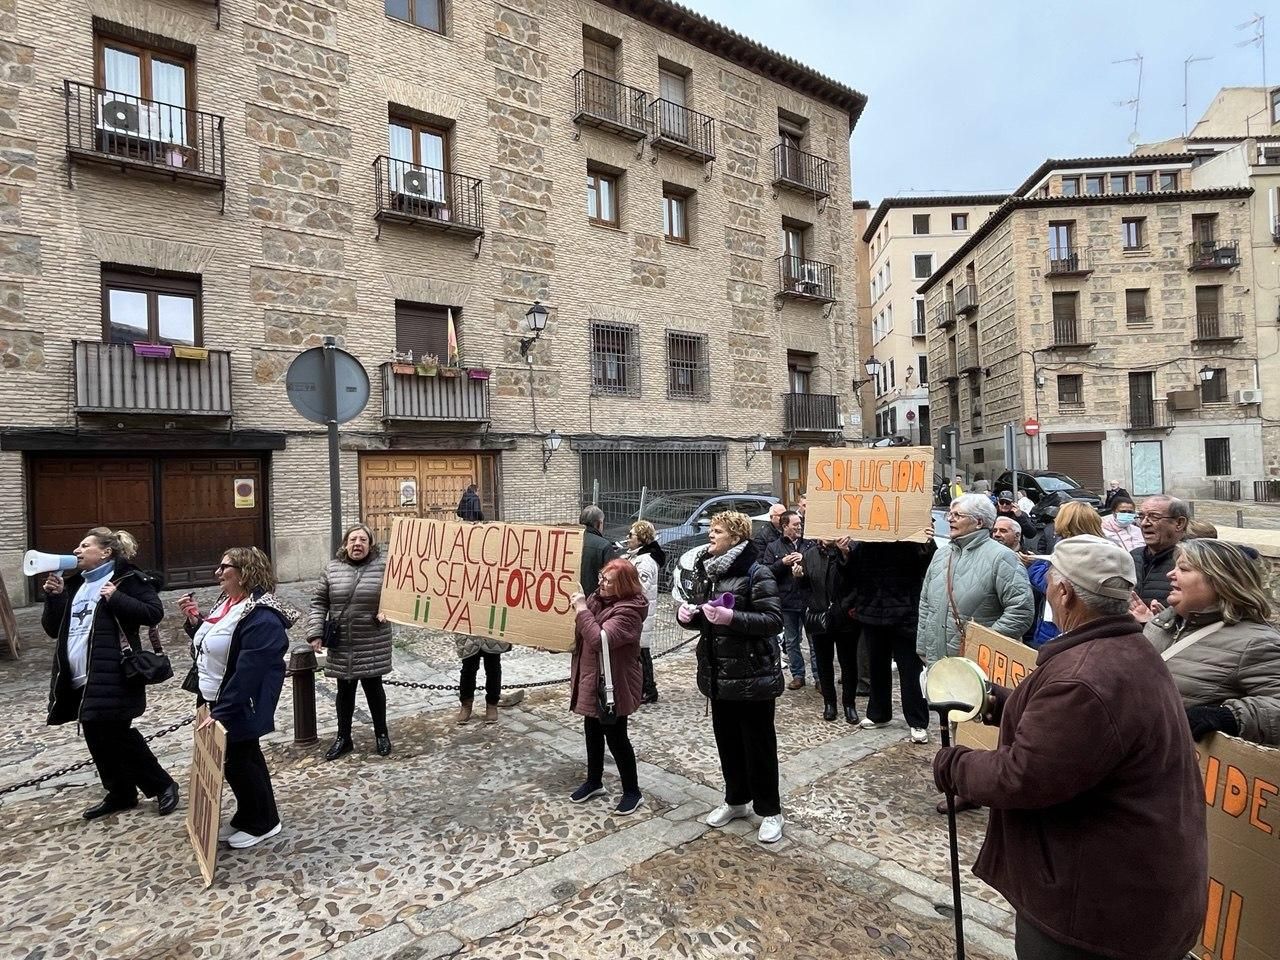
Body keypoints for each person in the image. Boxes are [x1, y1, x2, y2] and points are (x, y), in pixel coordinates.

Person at [933, 535, 1207, 960]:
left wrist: (954, 765)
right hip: (1128, 888)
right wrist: (999, 703)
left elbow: (1023, 777)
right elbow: (1081, 738)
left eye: (1049, 583)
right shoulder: (1126, 645)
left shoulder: (1084, 675)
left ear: (1064, 592)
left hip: (1096, 907)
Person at [43, 527, 178, 821]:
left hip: (113, 672)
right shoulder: (77, 584)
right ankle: (120, 793)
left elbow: (152, 612)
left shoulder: (127, 579)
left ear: (105, 552)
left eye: (84, 545)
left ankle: (162, 784)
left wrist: (116, 597)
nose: (77, 550)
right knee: (96, 735)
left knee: (117, 734)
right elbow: (55, 630)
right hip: (80, 676)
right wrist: (55, 598)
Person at [678, 510, 785, 843]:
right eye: (711, 529)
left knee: (759, 745)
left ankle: (771, 811)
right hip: (719, 673)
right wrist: (690, 617)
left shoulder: (757, 572)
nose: (711, 534)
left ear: (736, 537)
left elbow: (772, 620)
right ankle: (736, 800)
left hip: (753, 674)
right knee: (728, 742)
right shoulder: (709, 571)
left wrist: (732, 617)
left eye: (718, 530)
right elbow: (708, 617)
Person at [182, 547, 297, 848]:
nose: (218, 573)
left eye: (225, 567)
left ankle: (264, 822)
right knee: (236, 759)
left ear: (244, 572)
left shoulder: (262, 616)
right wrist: (195, 623)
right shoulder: (227, 603)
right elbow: (216, 643)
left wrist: (224, 711)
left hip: (238, 702)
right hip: (213, 695)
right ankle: (249, 813)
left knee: (241, 760)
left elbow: (250, 670)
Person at [1135, 539, 1280, 746]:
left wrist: (1229, 716)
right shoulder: (1160, 624)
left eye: (1183, 569)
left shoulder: (1257, 643)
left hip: (1182, 767)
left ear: (1220, 581)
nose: (1170, 574)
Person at [567, 558, 649, 814]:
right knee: (591, 728)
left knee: (616, 737)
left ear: (623, 585)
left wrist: (581, 608)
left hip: (615, 684)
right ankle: (594, 781)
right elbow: (579, 634)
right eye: (601, 577)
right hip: (594, 678)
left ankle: (632, 792)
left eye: (608, 580)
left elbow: (598, 638)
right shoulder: (597, 599)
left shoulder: (629, 611)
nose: (600, 583)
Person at [307, 523, 393, 760]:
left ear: (370, 544)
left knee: (374, 689)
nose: (358, 544)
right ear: (345, 544)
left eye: (363, 540)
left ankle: (381, 734)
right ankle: (343, 738)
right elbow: (319, 603)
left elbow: (397, 595)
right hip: (342, 641)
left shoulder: (384, 568)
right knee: (344, 691)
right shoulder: (332, 569)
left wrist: (389, 611)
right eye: (353, 539)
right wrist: (315, 633)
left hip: (372, 639)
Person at [918, 494, 1034, 667]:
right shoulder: (941, 554)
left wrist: (982, 644)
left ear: (979, 522)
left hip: (980, 668)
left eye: (958, 515)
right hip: (938, 665)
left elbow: (1021, 610)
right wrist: (923, 649)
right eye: (949, 514)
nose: (950, 519)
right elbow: (926, 603)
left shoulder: (1002, 557)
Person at [848, 536, 933, 742]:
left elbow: (927, 566)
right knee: (877, 667)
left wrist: (926, 543)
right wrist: (844, 553)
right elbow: (850, 575)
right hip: (872, 611)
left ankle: (918, 721)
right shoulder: (863, 541)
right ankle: (879, 713)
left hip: (904, 613)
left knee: (910, 670)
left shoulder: (911, 538)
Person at [1020, 502, 1103, 650]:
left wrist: (1034, 565)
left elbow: (1051, 583)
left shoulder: (1073, 549)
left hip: (1063, 627)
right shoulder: (1103, 549)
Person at [798, 537, 858, 723]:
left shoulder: (850, 550)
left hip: (845, 617)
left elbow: (856, 581)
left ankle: (849, 704)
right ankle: (829, 703)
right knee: (823, 663)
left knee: (848, 663)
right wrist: (799, 578)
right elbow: (804, 588)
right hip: (819, 617)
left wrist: (845, 554)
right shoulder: (810, 555)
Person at [764, 510, 815, 690]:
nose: (799, 527)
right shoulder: (773, 547)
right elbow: (767, 572)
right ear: (785, 526)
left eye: (800, 524)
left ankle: (819, 677)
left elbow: (819, 567)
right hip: (787, 601)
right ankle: (798, 675)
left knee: (813, 640)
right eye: (795, 525)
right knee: (792, 641)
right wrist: (782, 563)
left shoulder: (809, 545)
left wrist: (805, 561)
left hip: (808, 600)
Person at [625, 520, 665, 704]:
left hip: (641, 613)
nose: (628, 537)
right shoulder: (635, 557)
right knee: (639, 651)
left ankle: (649, 689)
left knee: (642, 651)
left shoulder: (646, 561)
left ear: (641, 539)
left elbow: (640, 587)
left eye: (631, 535)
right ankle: (643, 687)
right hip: (636, 611)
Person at [1132, 495, 1189, 605]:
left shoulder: (1192, 563)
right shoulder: (1133, 556)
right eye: (1141, 516)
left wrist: (1162, 619)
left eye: (1154, 517)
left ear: (1179, 523)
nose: (1144, 523)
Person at [455, 630, 511, 724]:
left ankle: (492, 704)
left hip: (491, 632)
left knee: (493, 669)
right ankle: (466, 704)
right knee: (468, 670)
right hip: (469, 631)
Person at [578, 504, 621, 594]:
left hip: (571, 596)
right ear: (598, 523)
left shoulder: (571, 540)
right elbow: (612, 577)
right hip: (595, 598)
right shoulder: (604, 545)